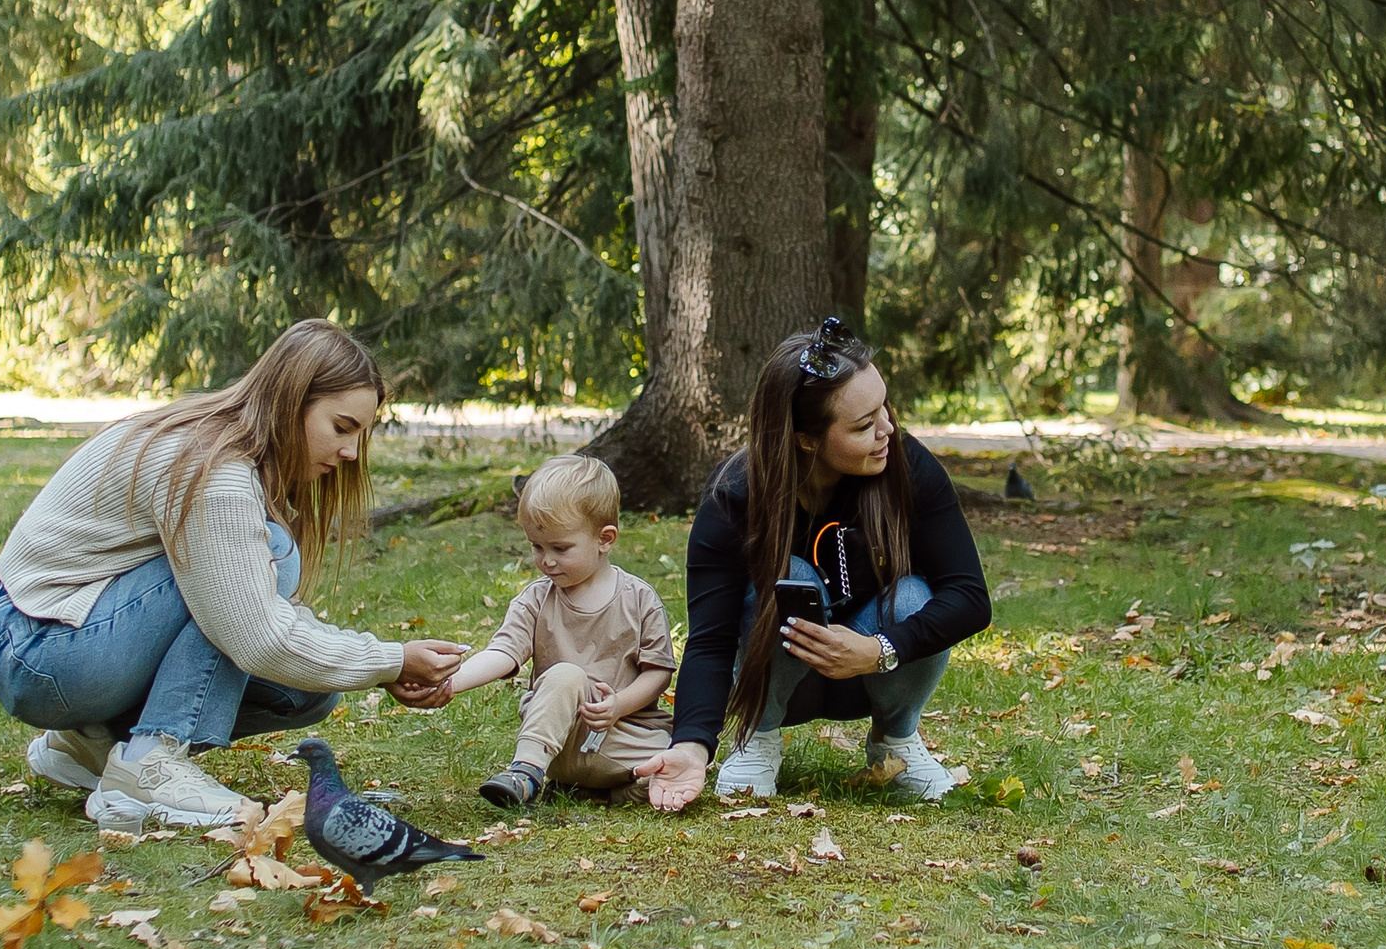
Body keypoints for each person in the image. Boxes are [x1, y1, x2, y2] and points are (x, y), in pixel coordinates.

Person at [0, 320, 469, 829]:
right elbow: (257, 637)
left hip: (56, 647)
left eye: (360, 434)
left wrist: (381, 666)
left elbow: (273, 629)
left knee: (309, 690)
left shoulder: (227, 448)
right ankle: (150, 760)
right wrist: (391, 660)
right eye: (342, 427)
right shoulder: (215, 470)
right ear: (290, 400)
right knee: (271, 556)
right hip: (38, 650)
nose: (349, 452)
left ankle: (87, 745)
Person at [632, 319, 991, 811]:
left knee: (911, 597)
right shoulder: (736, 494)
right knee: (790, 578)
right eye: (864, 425)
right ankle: (758, 740)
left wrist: (879, 648)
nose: (887, 428)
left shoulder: (906, 465)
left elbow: (970, 598)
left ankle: (896, 743)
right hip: (776, 676)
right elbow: (711, 638)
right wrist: (692, 745)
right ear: (805, 440)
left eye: (884, 406)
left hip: (875, 673)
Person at [399, 454, 676, 808]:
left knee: (671, 764)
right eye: (537, 547)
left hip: (621, 735)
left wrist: (618, 705)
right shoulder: (535, 600)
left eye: (560, 548)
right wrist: (450, 681)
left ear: (604, 539)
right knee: (566, 675)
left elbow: (658, 673)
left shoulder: (639, 599)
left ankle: (606, 791)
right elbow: (503, 653)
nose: (546, 560)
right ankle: (525, 772)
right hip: (554, 740)